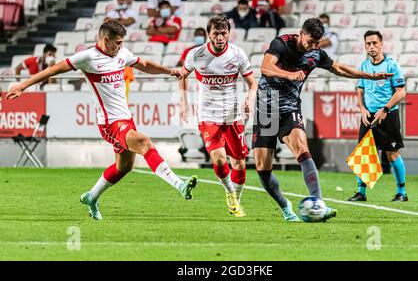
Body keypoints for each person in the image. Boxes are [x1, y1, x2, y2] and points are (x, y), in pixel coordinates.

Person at [6, 20, 198, 220]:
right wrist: (23, 85)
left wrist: (170, 71)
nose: (121, 47)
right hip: (110, 124)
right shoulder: (87, 57)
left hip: (126, 119)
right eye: (118, 42)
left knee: (124, 167)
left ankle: (91, 197)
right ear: (105, 40)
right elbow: (53, 70)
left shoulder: (121, 53)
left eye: (122, 42)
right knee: (144, 143)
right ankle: (180, 185)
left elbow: (145, 65)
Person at [252, 18, 393, 221]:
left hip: (290, 107)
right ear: (301, 34)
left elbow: (340, 68)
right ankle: (285, 206)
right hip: (267, 106)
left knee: (302, 148)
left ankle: (318, 203)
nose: (313, 46)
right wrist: (288, 75)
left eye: (316, 43)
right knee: (263, 169)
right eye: (310, 41)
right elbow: (265, 67)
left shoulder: (316, 54)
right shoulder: (281, 43)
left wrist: (369, 76)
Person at [179, 15, 258, 217]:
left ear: (229, 34)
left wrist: (249, 99)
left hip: (232, 114)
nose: (221, 37)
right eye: (216, 33)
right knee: (220, 159)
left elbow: (253, 83)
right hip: (207, 113)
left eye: (224, 33)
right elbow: (182, 75)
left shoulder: (237, 54)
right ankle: (230, 193)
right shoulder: (196, 55)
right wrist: (184, 101)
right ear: (209, 34)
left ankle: (236, 199)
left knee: (239, 162)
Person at [348, 30, 407, 202]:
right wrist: (362, 109)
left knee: (392, 153)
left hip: (388, 115)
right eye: (368, 44)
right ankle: (361, 192)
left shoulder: (391, 65)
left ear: (382, 44)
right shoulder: (364, 66)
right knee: (363, 153)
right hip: (368, 115)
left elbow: (401, 92)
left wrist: (385, 109)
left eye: (375, 43)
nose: (372, 46)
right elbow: (360, 90)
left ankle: (401, 192)